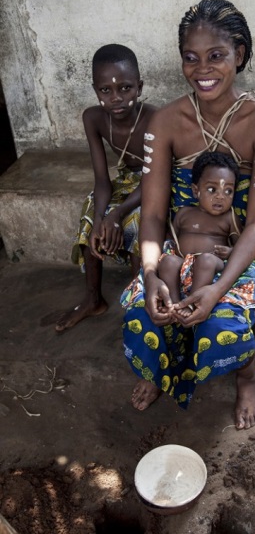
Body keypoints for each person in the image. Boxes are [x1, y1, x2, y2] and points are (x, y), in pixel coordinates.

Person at [121, 0, 255, 430]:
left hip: (237, 249)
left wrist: (217, 289)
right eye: (191, 59)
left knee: (218, 324)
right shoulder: (166, 121)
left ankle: (249, 374)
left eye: (217, 56)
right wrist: (152, 273)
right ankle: (160, 368)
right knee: (143, 316)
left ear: (240, 56)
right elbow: (153, 216)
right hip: (176, 246)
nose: (202, 69)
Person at [55, 44, 156, 332]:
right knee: (90, 212)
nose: (116, 98)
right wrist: (101, 218)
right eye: (106, 91)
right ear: (95, 90)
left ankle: (141, 305)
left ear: (139, 87)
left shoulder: (155, 118)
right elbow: (102, 180)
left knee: (137, 221)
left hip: (158, 181)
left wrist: (117, 214)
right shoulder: (93, 119)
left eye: (125, 88)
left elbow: (154, 177)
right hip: (127, 181)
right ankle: (92, 299)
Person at [158, 150, 246, 316]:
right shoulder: (184, 213)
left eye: (228, 191)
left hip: (212, 268)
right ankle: (175, 303)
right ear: (195, 191)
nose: (220, 197)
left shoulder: (229, 218)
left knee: (206, 259)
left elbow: (242, 247)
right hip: (183, 265)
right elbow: (170, 241)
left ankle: (193, 301)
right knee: (168, 261)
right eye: (212, 189)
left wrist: (230, 252)